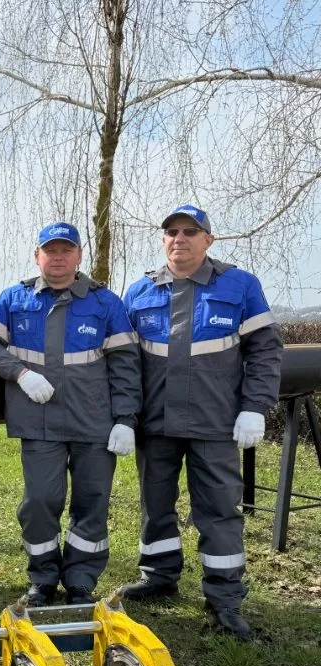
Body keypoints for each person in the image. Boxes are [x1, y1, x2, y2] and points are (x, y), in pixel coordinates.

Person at [118, 205, 282, 640]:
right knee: (155, 504)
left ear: (208, 240)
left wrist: (255, 406)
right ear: (163, 240)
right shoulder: (139, 292)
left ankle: (225, 599)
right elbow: (123, 361)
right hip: (155, 424)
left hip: (215, 423)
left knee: (218, 510)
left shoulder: (240, 285)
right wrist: (124, 416)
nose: (180, 238)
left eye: (190, 231)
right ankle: (159, 576)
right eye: (171, 231)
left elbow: (266, 351)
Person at [0, 222, 142, 605]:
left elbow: (126, 365)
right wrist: (21, 374)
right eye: (50, 250)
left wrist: (125, 419)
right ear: (38, 256)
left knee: (92, 502)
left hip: (94, 424)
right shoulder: (14, 299)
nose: (58, 257)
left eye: (66, 250)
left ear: (79, 255)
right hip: (40, 423)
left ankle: (81, 581)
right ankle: (43, 578)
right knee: (39, 502)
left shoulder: (105, 303)